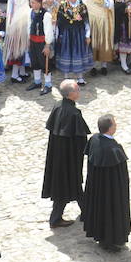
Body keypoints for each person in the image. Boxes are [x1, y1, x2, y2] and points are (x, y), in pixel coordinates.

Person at [42, 78, 89, 228]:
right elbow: (80, 139)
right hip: (69, 158)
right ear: (71, 94)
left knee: (70, 185)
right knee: (68, 185)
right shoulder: (74, 113)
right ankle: (56, 219)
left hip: (57, 156)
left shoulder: (57, 106)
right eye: (77, 89)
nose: (79, 91)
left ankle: (87, 211)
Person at [82, 113, 131, 251]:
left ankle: (101, 236)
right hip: (111, 191)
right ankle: (109, 241)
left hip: (97, 188)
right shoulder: (113, 150)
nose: (116, 126)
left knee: (100, 211)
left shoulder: (94, 140)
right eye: (114, 124)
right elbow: (120, 176)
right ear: (110, 128)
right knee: (110, 213)